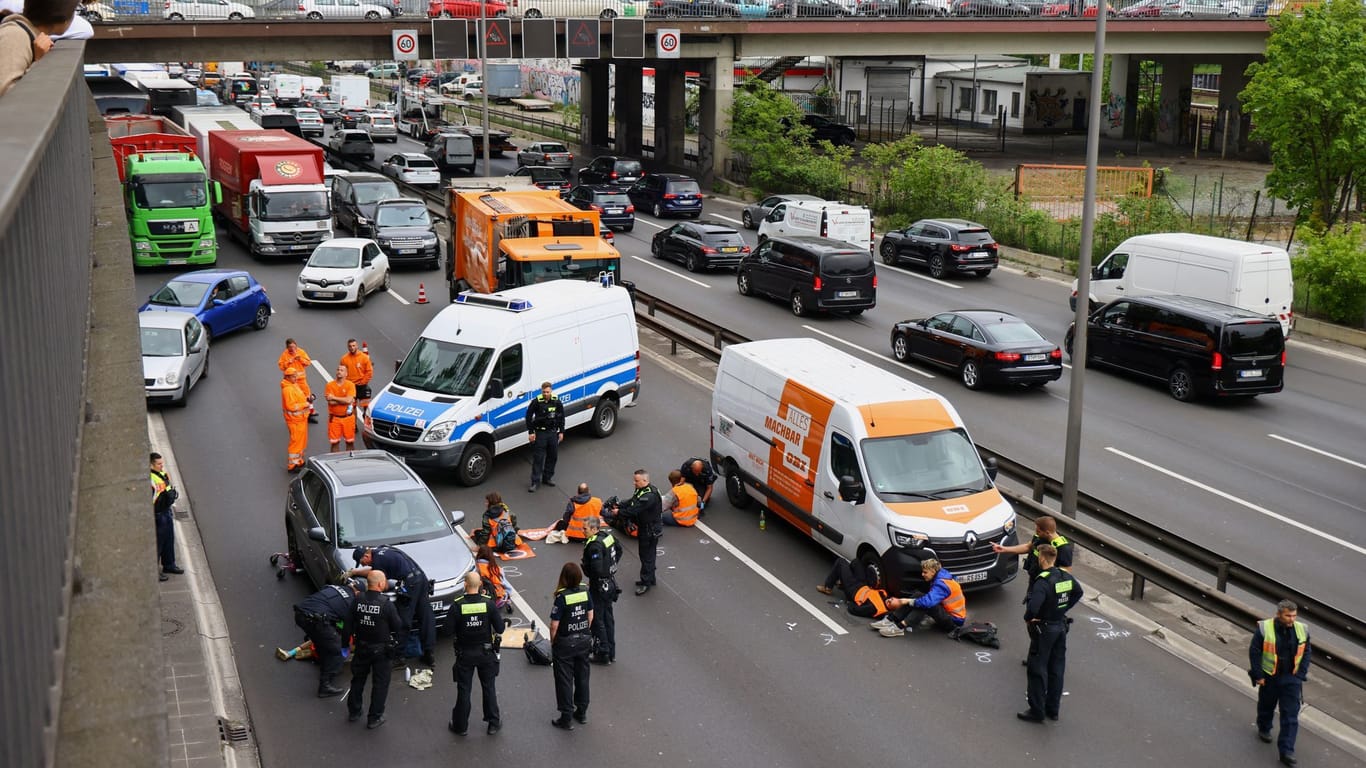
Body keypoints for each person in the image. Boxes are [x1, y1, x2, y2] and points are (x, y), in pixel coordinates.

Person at [1018, 544, 1083, 724]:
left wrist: (1029, 618)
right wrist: (1062, 610)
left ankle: (1037, 711)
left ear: (1042, 558)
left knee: (1037, 669)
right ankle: (1053, 709)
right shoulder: (1065, 576)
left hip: (1044, 629)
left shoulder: (1043, 581)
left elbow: (1033, 607)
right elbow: (1078, 592)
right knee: (1056, 669)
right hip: (1060, 627)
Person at [348, 545, 436, 668]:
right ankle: (429, 653)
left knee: (403, 621)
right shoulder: (383, 551)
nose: (363, 565)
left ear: (367, 556)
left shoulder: (378, 560)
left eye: (362, 562)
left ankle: (399, 657)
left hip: (410, 585)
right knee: (426, 617)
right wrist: (355, 571)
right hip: (421, 579)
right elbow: (374, 570)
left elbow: (381, 584)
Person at [1249, 600, 1311, 766]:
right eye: (1288, 615)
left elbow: (1306, 652)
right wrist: (1258, 675)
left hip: (1291, 679)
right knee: (1266, 705)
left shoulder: (1302, 630)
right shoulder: (1265, 629)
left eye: (1294, 615)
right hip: (1270, 677)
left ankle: (1286, 751)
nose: (1292, 619)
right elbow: (1255, 652)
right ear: (1278, 614)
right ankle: (1264, 726)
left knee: (1290, 716)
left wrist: (1301, 674)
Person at [449, 570, 505, 737]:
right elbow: (500, 628)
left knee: (464, 690)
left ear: (465, 585)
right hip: (486, 653)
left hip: (465, 654)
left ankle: (460, 726)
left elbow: (447, 630)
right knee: (489, 688)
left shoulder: (457, 605)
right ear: (480, 584)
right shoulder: (488, 604)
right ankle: (493, 723)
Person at [348, 571, 400, 730]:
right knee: (380, 684)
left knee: (358, 679)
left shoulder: (357, 600)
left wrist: (346, 644)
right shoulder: (386, 604)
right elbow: (398, 626)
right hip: (381, 650)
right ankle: (374, 717)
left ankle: (354, 712)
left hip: (362, 647)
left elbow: (348, 624)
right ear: (380, 584)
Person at [294, 579, 361, 698]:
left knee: (323, 641)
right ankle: (325, 686)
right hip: (315, 621)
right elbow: (349, 626)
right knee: (338, 649)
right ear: (358, 593)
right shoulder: (350, 602)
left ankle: (325, 662)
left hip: (300, 613)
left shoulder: (334, 587)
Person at [549, 562, 594, 730]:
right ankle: (581, 712)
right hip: (583, 640)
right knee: (582, 676)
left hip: (565, 643)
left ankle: (566, 716)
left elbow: (554, 625)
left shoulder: (562, 597)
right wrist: (585, 631)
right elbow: (590, 615)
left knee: (564, 679)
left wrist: (553, 641)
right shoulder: (585, 592)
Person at [0, 0, 77, 98]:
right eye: (73, 11)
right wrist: (38, 63)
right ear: (63, 18)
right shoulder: (15, 35)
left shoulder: (23, 33)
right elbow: (6, 95)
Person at [873, 558, 967, 637]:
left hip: (953, 622)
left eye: (925, 572)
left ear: (933, 571)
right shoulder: (942, 577)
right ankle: (892, 619)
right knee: (919, 596)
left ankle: (900, 626)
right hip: (949, 615)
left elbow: (927, 602)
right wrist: (908, 601)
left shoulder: (941, 584)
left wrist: (906, 601)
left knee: (925, 604)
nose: (922, 574)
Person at [610, 469, 662, 596]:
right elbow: (633, 501)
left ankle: (646, 582)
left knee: (646, 556)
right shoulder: (643, 490)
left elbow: (634, 509)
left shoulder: (649, 496)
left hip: (649, 530)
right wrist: (621, 504)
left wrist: (619, 512)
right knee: (649, 555)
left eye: (637, 481)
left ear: (645, 480)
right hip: (648, 527)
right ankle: (651, 578)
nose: (634, 483)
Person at [581, 516, 622, 665]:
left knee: (597, 620)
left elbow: (596, 569)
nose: (583, 531)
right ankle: (611, 651)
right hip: (610, 583)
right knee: (608, 618)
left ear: (593, 529)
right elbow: (619, 549)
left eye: (585, 529)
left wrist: (594, 573)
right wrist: (611, 567)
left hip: (599, 586)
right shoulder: (607, 536)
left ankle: (603, 653)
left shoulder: (594, 546)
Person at [992, 515, 1073, 582]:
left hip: (1048, 586)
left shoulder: (1063, 548)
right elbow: (1028, 547)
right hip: (1035, 580)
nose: (1036, 533)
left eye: (1038, 532)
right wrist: (1004, 549)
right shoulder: (1039, 538)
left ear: (1047, 532)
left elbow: (1065, 573)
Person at [815, 557, 888, 619]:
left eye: (892, 602)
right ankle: (843, 582)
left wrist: (851, 602)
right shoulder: (885, 598)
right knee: (856, 562)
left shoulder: (876, 609)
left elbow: (854, 610)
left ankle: (828, 587)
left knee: (841, 562)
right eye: (893, 599)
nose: (891, 600)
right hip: (864, 585)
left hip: (854, 590)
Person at [149, 452, 184, 581]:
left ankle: (169, 565)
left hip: (166, 511)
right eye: (158, 464)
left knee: (169, 540)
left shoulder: (163, 474)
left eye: (162, 463)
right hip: (158, 515)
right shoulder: (150, 479)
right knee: (158, 544)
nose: (161, 465)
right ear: (151, 464)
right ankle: (154, 572)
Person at [524, 381, 564, 492]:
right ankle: (535, 482)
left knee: (553, 456)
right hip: (540, 433)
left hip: (552, 433)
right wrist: (531, 432)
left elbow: (561, 416)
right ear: (541, 391)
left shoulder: (556, 401)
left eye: (547, 392)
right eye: (544, 392)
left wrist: (561, 431)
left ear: (551, 391)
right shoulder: (537, 401)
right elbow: (528, 416)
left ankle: (547, 478)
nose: (546, 394)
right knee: (538, 458)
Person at [277, 338, 317, 422]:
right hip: (291, 382)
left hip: (301, 380)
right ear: (287, 348)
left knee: (308, 396)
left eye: (294, 347)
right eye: (290, 347)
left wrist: (300, 359)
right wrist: (288, 362)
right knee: (297, 399)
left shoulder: (301, 352)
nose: (293, 349)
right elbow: (281, 366)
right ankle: (302, 415)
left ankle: (310, 413)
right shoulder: (285, 355)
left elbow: (308, 362)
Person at [280, 367, 310, 472]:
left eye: (295, 375)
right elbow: (291, 406)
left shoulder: (293, 385)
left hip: (300, 419)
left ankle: (299, 460)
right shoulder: (287, 389)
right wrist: (305, 404)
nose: (296, 378)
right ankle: (292, 465)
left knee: (301, 441)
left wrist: (306, 400)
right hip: (295, 420)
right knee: (296, 442)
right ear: (287, 377)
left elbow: (299, 397)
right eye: (293, 376)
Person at [325, 364, 357, 451]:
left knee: (350, 442)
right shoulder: (330, 385)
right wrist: (344, 400)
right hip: (334, 419)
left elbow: (348, 400)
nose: (339, 371)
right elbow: (331, 402)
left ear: (346, 374)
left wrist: (334, 398)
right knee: (334, 443)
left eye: (342, 370)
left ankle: (349, 462)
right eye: (338, 369)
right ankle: (335, 463)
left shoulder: (350, 385)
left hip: (348, 418)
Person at [340, 338, 374, 413]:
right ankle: (353, 424)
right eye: (350, 346)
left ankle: (366, 420)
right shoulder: (344, 359)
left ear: (357, 346)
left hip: (362, 387)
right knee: (352, 407)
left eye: (353, 345)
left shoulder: (364, 357)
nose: (352, 348)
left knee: (366, 408)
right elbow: (342, 372)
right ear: (347, 347)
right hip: (351, 387)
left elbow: (369, 372)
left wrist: (363, 382)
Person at [474, 543, 510, 612]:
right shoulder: (496, 569)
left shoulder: (475, 567)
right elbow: (504, 583)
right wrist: (508, 592)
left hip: (479, 595)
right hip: (494, 595)